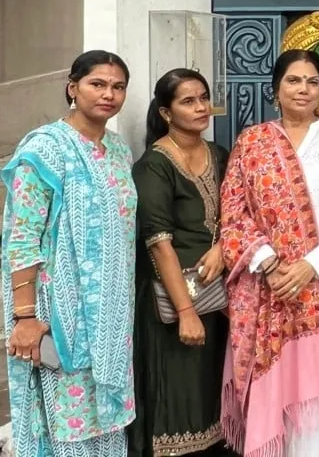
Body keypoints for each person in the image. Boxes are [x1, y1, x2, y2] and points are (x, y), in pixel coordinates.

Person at [220, 50, 319, 457]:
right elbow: (233, 214)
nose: (303, 89)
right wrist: (269, 264)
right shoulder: (252, 143)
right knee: (270, 393)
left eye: (311, 81)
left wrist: (310, 266)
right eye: (293, 80)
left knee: (314, 400)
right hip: (264, 287)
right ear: (276, 89)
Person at [1, 51, 137, 457]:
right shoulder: (44, 149)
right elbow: (22, 237)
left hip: (111, 318)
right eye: (98, 84)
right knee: (62, 424)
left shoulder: (119, 150)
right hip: (58, 314)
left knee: (105, 423)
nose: (109, 94)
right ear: (72, 87)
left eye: (118, 87)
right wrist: (25, 317)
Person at [129, 69, 230, 457]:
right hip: (172, 300)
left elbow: (236, 214)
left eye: (203, 98)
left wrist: (222, 247)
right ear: (166, 113)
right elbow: (159, 244)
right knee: (177, 393)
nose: (201, 107)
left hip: (217, 294)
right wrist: (186, 312)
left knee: (210, 388)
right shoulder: (154, 165)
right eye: (188, 101)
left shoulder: (218, 154)